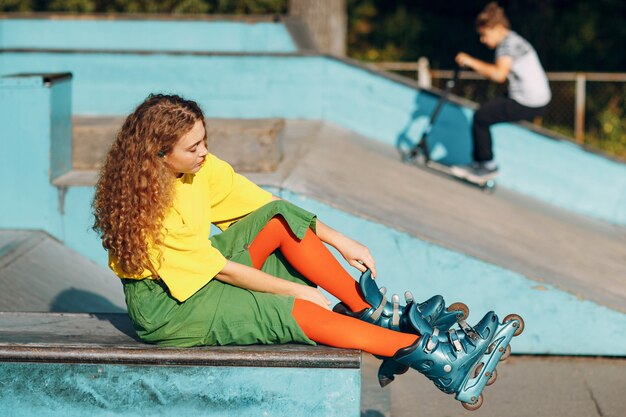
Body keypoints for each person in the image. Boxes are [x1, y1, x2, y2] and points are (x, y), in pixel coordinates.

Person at [92, 93, 517, 409]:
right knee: (293, 312)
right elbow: (222, 270)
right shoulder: (151, 211)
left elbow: (265, 207)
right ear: (159, 154)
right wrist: (296, 291)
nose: (204, 152)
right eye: (193, 148)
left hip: (205, 275)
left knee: (277, 217)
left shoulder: (197, 171)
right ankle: (438, 360)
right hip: (171, 308)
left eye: (204, 140)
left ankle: (369, 308)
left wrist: (339, 239)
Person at [455, 2, 551, 176]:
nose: (482, 40)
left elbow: (499, 75)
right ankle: (480, 162)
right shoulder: (514, 39)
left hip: (528, 101)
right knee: (487, 110)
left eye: (484, 35)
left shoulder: (506, 46)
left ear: (498, 28)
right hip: (538, 98)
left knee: (481, 117)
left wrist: (470, 61)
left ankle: (486, 165)